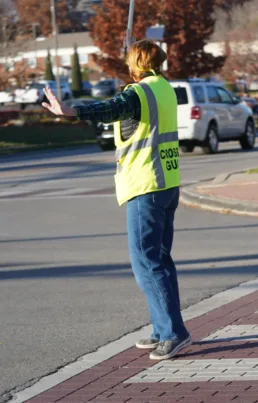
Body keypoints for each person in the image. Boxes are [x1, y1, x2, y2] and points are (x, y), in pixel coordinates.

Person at [42, 39, 191, 360]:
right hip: (167, 183)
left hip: (145, 185)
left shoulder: (139, 93)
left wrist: (70, 110)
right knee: (160, 260)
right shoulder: (164, 88)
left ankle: (173, 333)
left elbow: (110, 108)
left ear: (135, 62)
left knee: (147, 263)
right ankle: (162, 327)